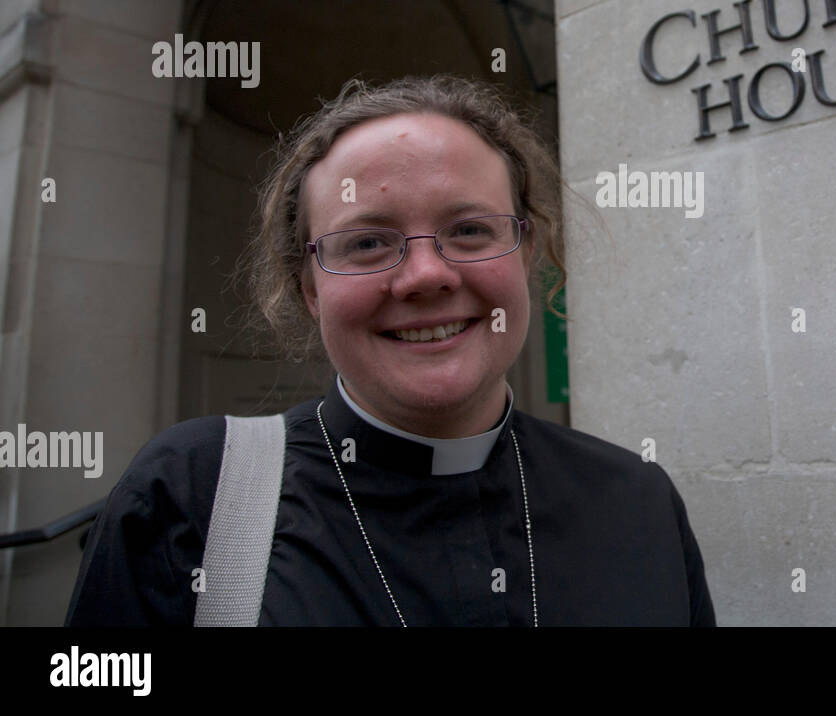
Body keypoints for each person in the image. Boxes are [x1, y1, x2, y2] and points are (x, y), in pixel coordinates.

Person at [65, 74, 716, 626]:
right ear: (310, 288)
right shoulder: (188, 495)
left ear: (525, 253)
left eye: (469, 229)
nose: (427, 275)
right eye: (368, 243)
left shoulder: (637, 501)